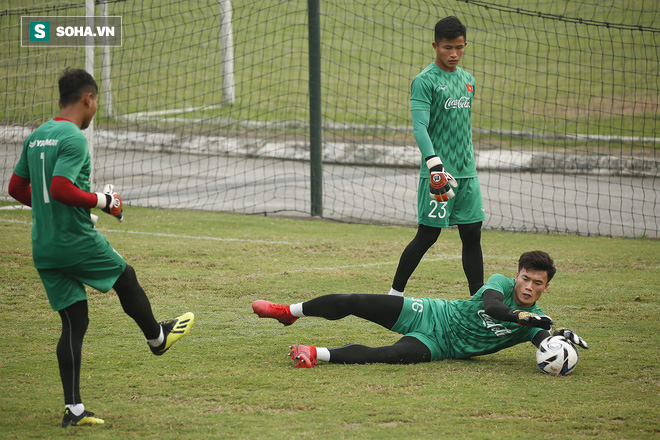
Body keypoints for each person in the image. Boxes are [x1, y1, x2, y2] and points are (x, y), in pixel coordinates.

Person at [7, 68, 194, 427]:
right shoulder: (74, 138)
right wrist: (103, 201)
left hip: (44, 246)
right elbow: (61, 187)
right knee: (126, 277)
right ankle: (157, 338)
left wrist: (52, 207)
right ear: (87, 99)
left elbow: (16, 189)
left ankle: (73, 410)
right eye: (97, 102)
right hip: (75, 241)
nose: (96, 108)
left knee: (74, 322)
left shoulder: (37, 136)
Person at [252, 251, 588, 368]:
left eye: (537, 284)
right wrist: (524, 316)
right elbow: (493, 307)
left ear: (546, 286)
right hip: (430, 313)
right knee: (354, 301)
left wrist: (558, 338)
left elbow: (542, 339)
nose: (529, 287)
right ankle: (287, 312)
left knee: (387, 356)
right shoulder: (500, 283)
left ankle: (313, 353)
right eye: (525, 279)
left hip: (440, 347)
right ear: (517, 275)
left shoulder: (534, 321)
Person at [390, 16, 485, 298]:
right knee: (428, 235)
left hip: (467, 173)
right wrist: (434, 164)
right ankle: (394, 295)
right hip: (438, 174)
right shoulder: (424, 81)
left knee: (472, 235)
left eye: (459, 47)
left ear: (465, 45)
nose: (453, 54)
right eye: (447, 48)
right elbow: (420, 126)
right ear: (435, 45)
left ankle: (478, 302)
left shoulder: (468, 80)